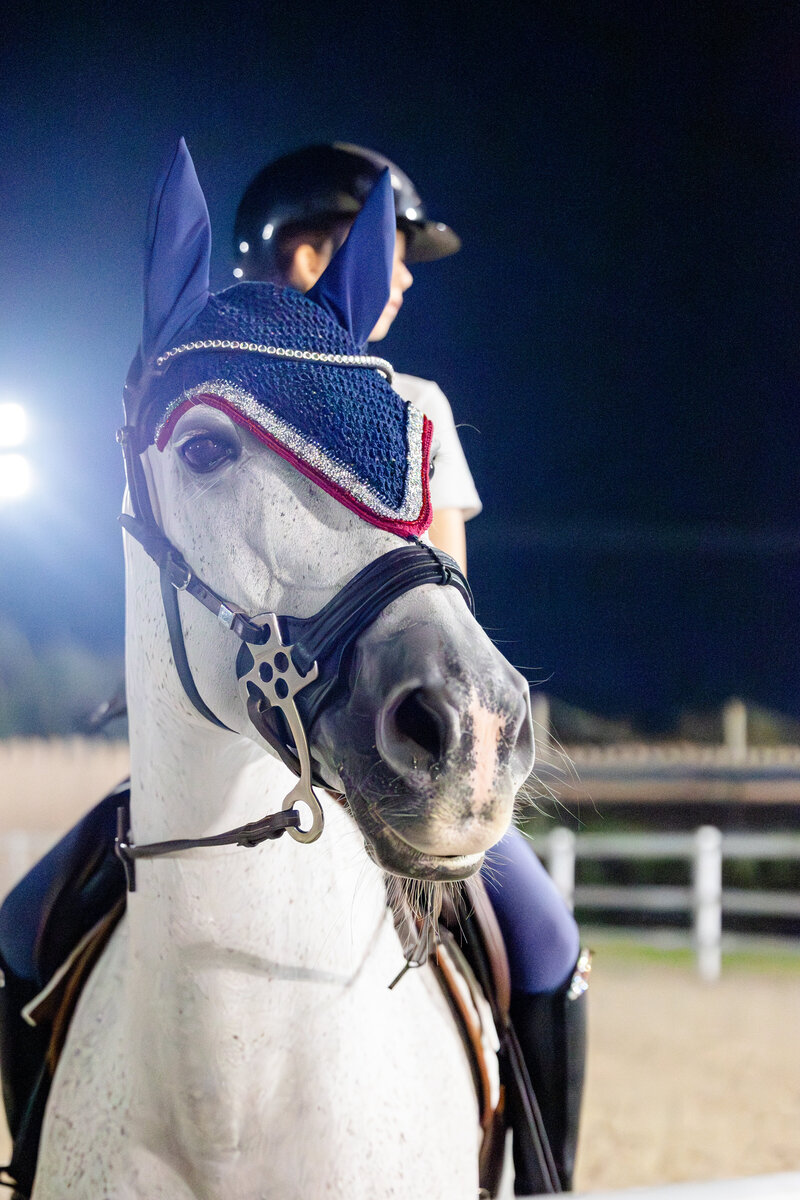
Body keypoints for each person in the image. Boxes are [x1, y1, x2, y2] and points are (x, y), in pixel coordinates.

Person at [233, 143, 588, 1191]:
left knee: (546, 945)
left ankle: (541, 1179)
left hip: (369, 740)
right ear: (309, 257)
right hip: (239, 740)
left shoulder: (413, 402)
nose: (402, 278)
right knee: (32, 922)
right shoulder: (224, 398)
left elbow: (443, 596)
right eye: (391, 253)